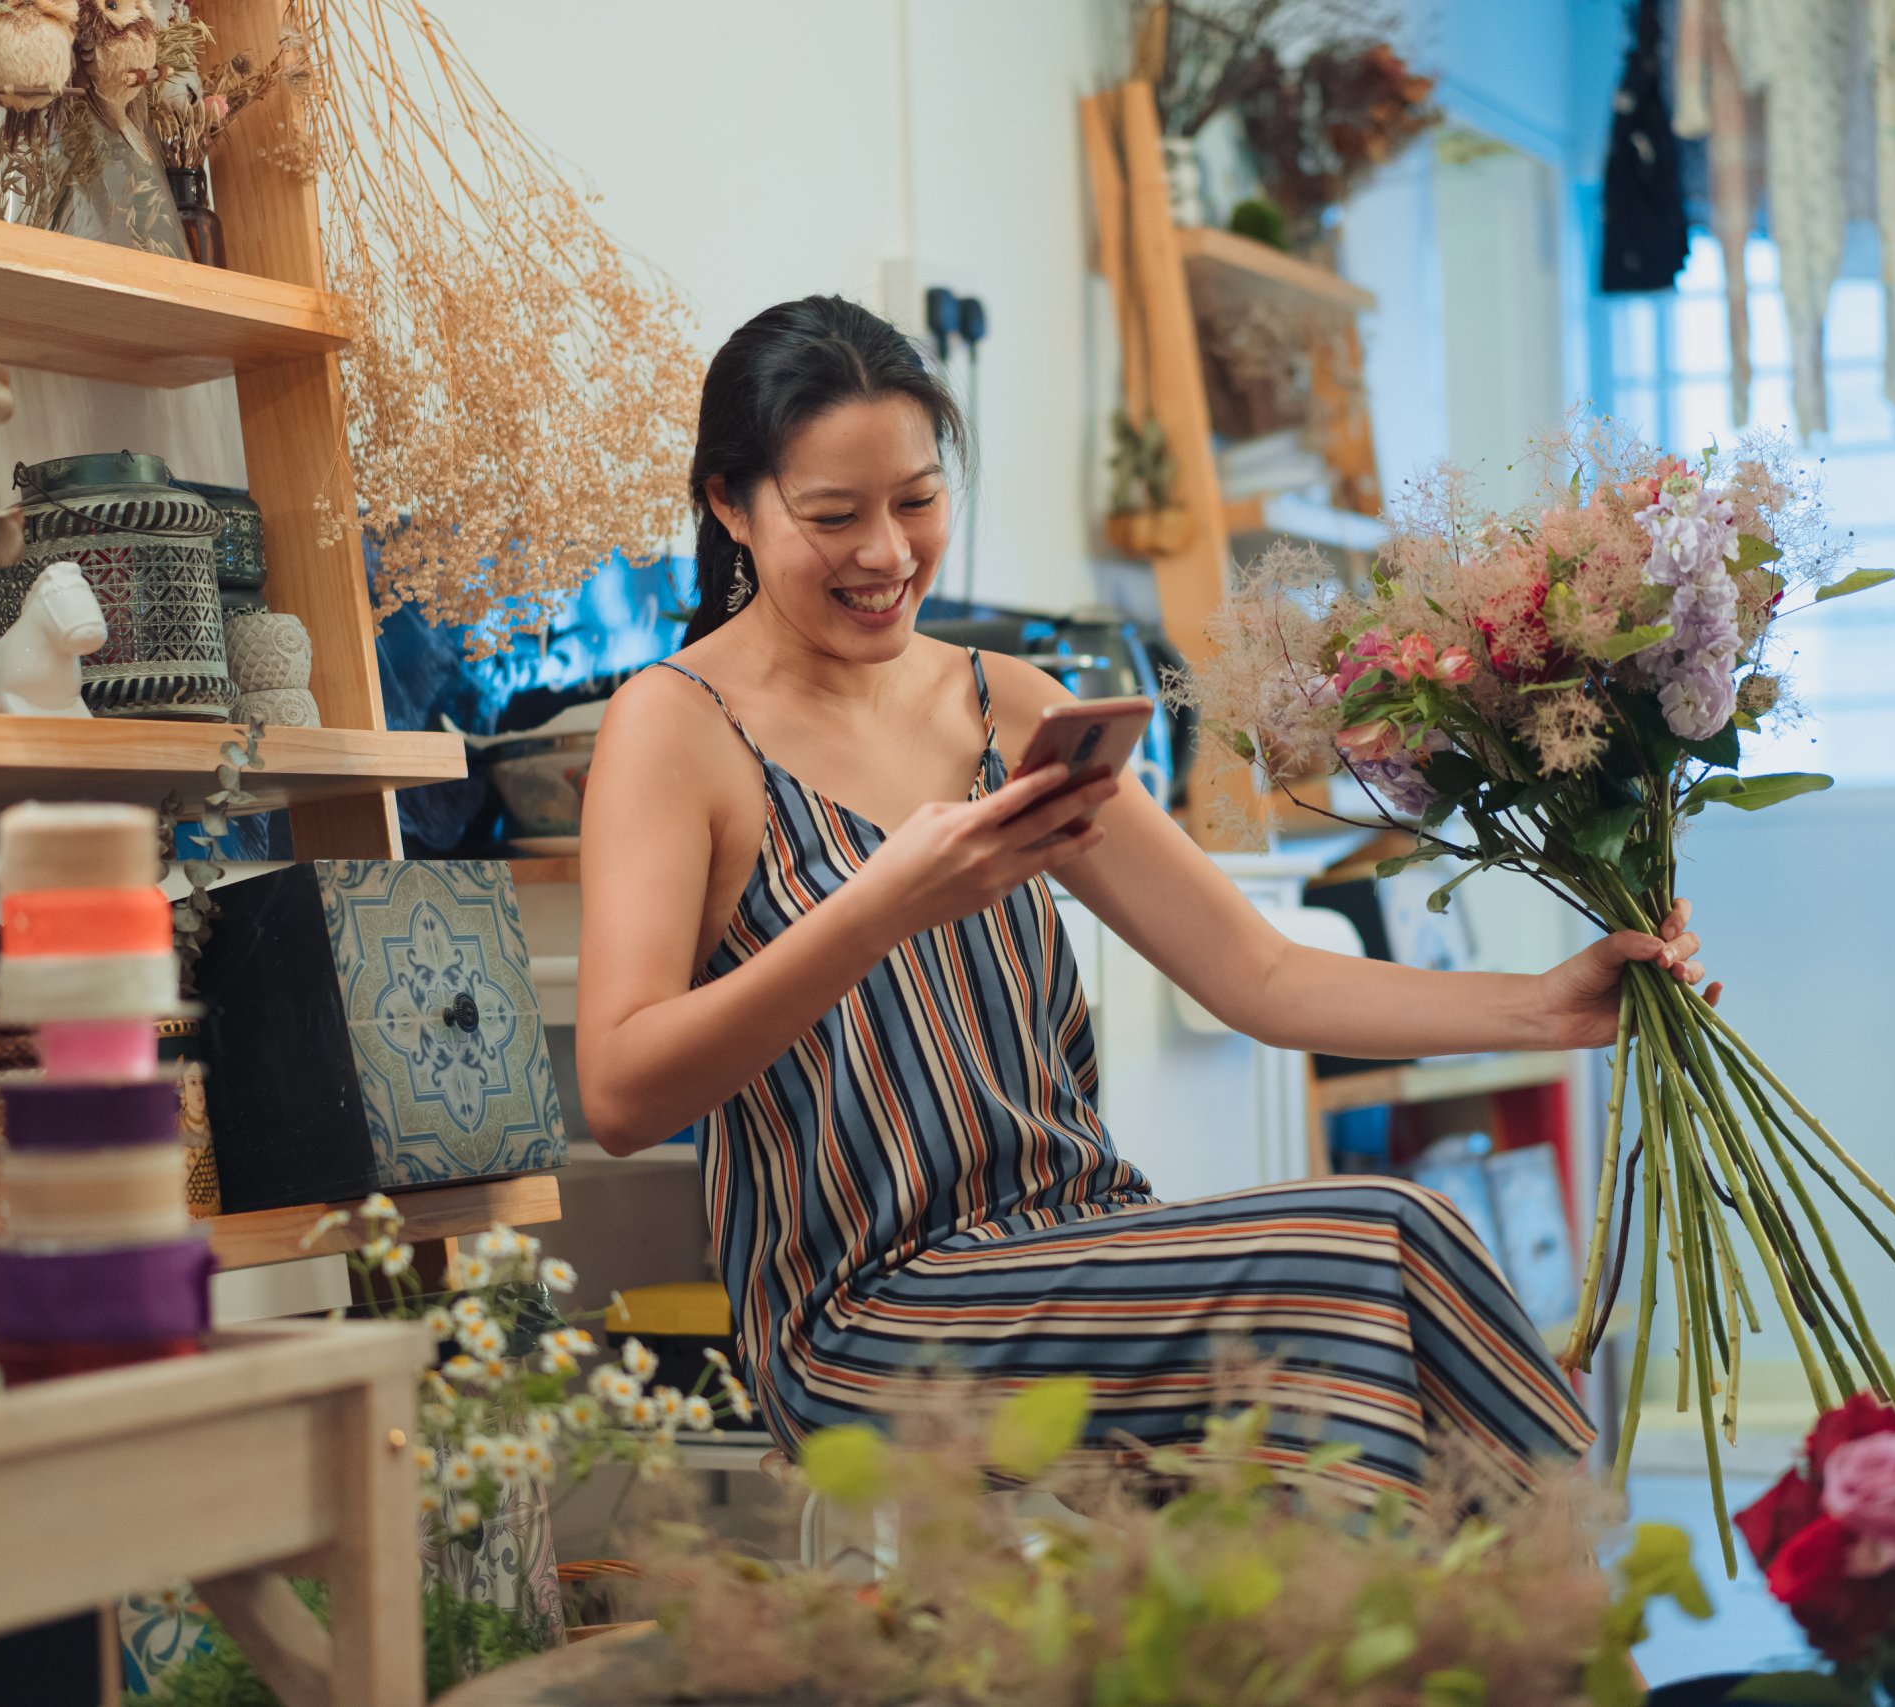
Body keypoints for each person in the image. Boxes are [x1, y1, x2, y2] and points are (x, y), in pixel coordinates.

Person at [576, 296, 1714, 1493]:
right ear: (727, 504)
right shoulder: (676, 726)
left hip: (1077, 1240)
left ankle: (1541, 1643)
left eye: (917, 501)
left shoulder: (1000, 703)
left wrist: (1548, 1008)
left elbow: (1258, 974)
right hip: (869, 1319)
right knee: (1355, 1259)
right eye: (832, 517)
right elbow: (619, 1091)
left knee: (1406, 1231)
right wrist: (878, 907)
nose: (887, 553)